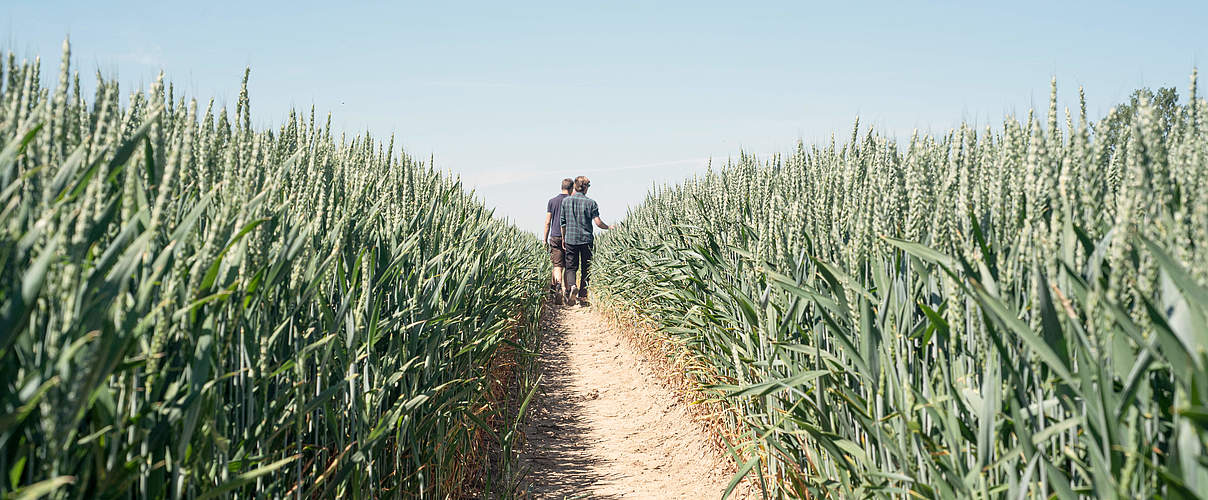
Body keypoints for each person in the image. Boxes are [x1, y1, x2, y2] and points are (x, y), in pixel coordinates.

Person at [558, 176, 615, 306]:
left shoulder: (566, 202)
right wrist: (608, 227)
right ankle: (583, 298)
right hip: (586, 239)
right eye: (588, 186)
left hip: (570, 239)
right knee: (586, 268)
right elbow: (598, 222)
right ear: (585, 187)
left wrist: (563, 238)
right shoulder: (591, 203)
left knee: (571, 267)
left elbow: (563, 223)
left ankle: (572, 286)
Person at [543, 178, 574, 304]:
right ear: (571, 188)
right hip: (569, 237)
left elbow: (547, 222)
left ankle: (557, 287)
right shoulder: (572, 202)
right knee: (568, 266)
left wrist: (545, 239)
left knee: (557, 265)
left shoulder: (552, 201)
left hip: (555, 236)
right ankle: (567, 292)